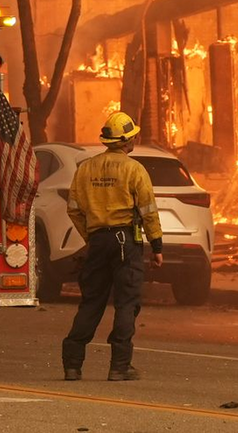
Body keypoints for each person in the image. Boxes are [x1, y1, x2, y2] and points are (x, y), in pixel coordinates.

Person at [60, 111, 164, 383]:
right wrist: (157, 244)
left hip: (97, 242)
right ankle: (120, 366)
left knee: (91, 302)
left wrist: (91, 236)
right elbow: (148, 210)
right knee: (126, 303)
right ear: (127, 141)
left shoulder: (86, 168)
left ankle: (72, 365)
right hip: (124, 242)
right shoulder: (134, 169)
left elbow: (73, 209)